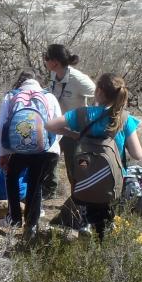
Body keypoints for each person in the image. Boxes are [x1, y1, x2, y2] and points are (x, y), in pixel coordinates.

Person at [46, 73, 142, 240]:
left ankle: (85, 228)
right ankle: (102, 249)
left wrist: (75, 135)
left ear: (98, 91)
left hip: (85, 178)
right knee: (105, 224)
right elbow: (137, 154)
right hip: (111, 183)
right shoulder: (124, 118)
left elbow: (50, 125)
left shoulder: (83, 114)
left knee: (87, 211)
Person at [0, 70, 62, 239]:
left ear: (20, 83)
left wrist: (3, 153)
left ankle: (14, 218)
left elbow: (1, 126)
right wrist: (48, 143)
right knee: (36, 184)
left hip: (19, 150)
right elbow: (59, 125)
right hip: (45, 150)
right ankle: (31, 226)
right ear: (38, 82)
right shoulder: (49, 97)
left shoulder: (11, 96)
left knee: (11, 177)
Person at [42, 44, 95, 200]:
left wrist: (92, 120)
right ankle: (49, 192)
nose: (45, 62)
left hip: (74, 131)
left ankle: (78, 200)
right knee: (49, 160)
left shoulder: (78, 79)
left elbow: (98, 93)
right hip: (57, 128)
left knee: (74, 168)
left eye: (47, 58)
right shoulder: (54, 75)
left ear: (55, 62)